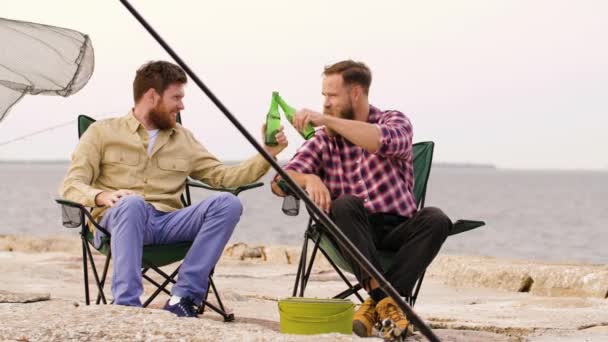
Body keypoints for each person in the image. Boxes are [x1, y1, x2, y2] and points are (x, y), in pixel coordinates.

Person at [61, 60, 288, 317]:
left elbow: (225, 177)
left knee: (228, 203)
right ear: (151, 96)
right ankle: (126, 305)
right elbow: (71, 185)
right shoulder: (101, 132)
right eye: (176, 97)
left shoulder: (184, 138)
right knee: (132, 203)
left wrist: (267, 153)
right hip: (116, 223)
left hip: (168, 223)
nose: (182, 105)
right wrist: (103, 196)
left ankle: (184, 297)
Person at [271, 60, 451, 337]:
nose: (325, 103)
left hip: (397, 230)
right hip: (351, 232)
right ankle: (388, 303)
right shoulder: (323, 141)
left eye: (331, 96)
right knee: (345, 203)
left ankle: (375, 304)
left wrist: (328, 121)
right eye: (324, 96)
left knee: (437, 219)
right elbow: (280, 183)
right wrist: (309, 179)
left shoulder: (393, 120)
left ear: (356, 93)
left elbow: (383, 141)